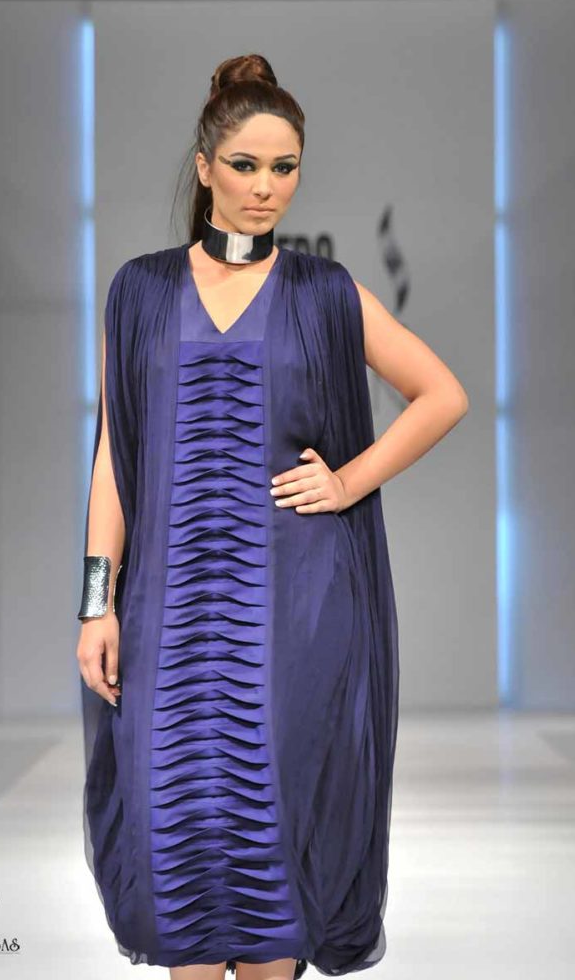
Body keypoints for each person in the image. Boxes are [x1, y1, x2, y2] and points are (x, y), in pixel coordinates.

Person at [76, 53, 468, 980]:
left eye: (284, 167)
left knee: (275, 829)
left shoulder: (324, 293)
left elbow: (442, 395)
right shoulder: (139, 291)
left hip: (297, 605)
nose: (266, 187)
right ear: (204, 165)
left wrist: (348, 482)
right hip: (168, 612)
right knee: (174, 837)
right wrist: (97, 603)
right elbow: (113, 457)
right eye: (245, 165)